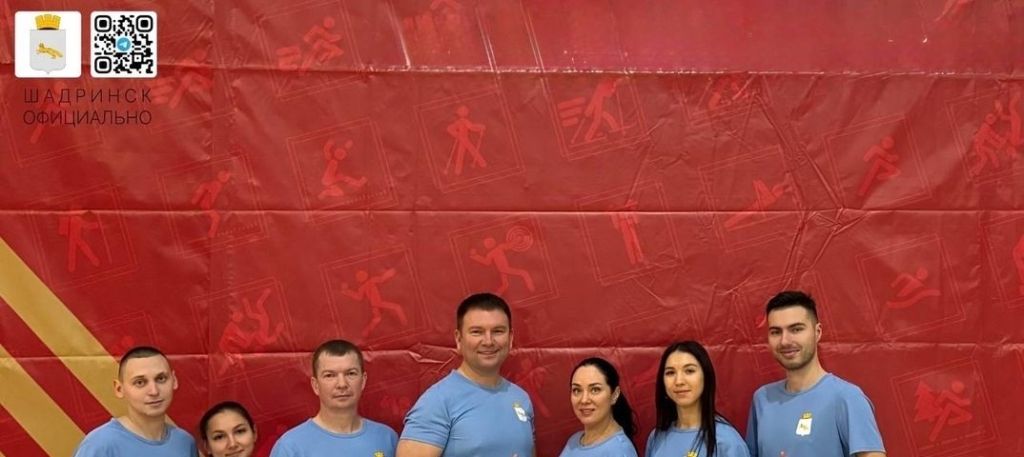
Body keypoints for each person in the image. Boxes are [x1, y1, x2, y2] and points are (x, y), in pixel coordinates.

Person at [746, 291, 886, 457]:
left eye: (796, 329)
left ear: (817, 332)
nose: (785, 341)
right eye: (776, 332)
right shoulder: (762, 399)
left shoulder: (847, 398)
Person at [397, 293, 535, 457]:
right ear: (458, 339)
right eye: (477, 332)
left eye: (498, 331)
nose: (488, 341)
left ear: (510, 338)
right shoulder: (437, 402)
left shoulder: (521, 398)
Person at [271, 339, 398, 456]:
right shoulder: (290, 447)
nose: (342, 384)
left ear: (363, 381)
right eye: (330, 375)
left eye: (351, 373)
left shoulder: (387, 439)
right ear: (315, 385)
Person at [73, 346, 197, 456]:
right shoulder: (100, 445)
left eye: (161, 379)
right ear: (119, 389)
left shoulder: (185, 443)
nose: (154, 391)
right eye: (140, 382)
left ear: (174, 381)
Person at [645, 341, 748, 457]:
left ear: (706, 376)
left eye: (689, 371)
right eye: (670, 372)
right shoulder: (656, 438)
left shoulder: (727, 441)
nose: (679, 381)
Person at [559, 357, 638, 457]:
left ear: (615, 395)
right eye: (577, 390)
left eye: (595, 390)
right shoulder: (573, 441)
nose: (584, 400)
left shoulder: (620, 451)